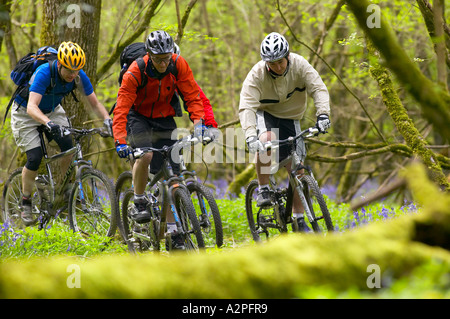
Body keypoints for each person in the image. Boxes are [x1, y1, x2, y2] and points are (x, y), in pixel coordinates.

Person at [112, 30, 206, 250]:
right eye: (158, 59)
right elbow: (121, 108)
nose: (163, 63)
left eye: (167, 58)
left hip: (164, 119)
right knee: (145, 154)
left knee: (172, 177)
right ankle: (139, 198)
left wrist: (199, 124)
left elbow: (192, 95)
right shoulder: (135, 71)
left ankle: (174, 234)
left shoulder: (178, 64)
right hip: (138, 117)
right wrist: (121, 141)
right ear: (149, 55)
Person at [11, 41, 113, 226]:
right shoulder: (43, 73)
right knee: (34, 158)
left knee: (68, 145)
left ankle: (65, 189)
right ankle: (26, 201)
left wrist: (107, 120)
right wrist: (49, 124)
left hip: (51, 110)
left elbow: (94, 104)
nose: (73, 74)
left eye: (76, 70)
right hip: (25, 112)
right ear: (60, 64)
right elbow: (32, 107)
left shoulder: (79, 76)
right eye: (69, 70)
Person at [239, 32, 331, 232]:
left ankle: (299, 220)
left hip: (291, 117)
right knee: (266, 140)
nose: (278, 67)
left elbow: (319, 89)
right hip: (266, 113)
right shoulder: (256, 74)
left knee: (297, 169)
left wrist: (323, 115)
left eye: (280, 62)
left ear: (288, 56)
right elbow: (247, 106)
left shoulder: (300, 65)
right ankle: (263, 189)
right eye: (272, 64)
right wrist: (249, 135)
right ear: (266, 63)